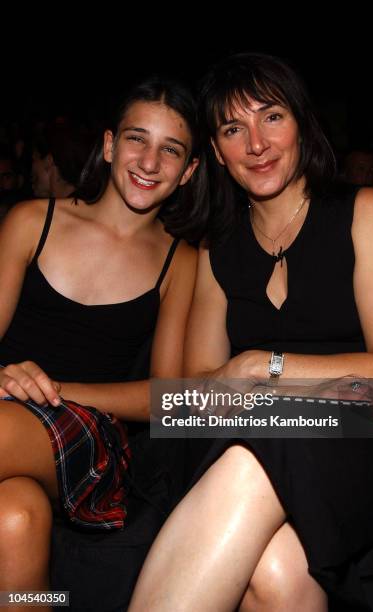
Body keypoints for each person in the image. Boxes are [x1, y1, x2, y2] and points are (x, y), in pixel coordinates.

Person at [129, 53, 373, 612]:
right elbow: (189, 397)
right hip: (263, 431)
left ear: (301, 122)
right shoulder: (217, 250)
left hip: (368, 434)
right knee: (276, 576)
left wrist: (261, 366)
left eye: (271, 117)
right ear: (217, 153)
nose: (256, 144)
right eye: (233, 128)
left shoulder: (363, 211)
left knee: (258, 441)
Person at [0, 75, 202, 611]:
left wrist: (54, 390)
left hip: (91, 439)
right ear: (111, 145)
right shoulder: (30, 221)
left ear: (189, 172)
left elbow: (168, 397)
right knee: (14, 519)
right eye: (138, 138)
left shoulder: (180, 261)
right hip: (4, 405)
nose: (150, 161)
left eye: (171, 150)